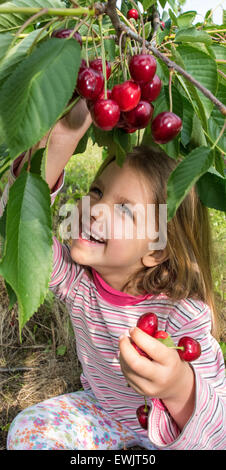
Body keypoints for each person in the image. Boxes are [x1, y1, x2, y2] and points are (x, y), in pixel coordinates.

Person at [1, 98, 225, 450]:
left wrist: (179, 387)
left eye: (124, 210)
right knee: (28, 431)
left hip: (172, 435)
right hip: (104, 414)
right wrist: (65, 136)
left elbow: (219, 429)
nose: (94, 209)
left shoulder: (182, 316)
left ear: (157, 249)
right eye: (97, 191)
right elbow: (19, 229)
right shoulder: (79, 282)